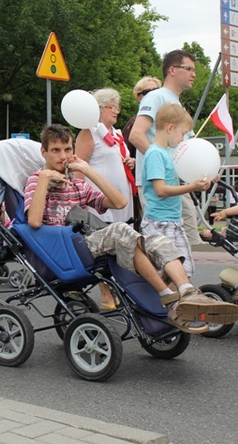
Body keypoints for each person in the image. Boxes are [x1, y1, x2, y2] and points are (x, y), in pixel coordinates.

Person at [24, 124, 238, 334]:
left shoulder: (76, 184)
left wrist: (87, 170)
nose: (63, 156)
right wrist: (44, 178)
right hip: (61, 248)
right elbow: (33, 222)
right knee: (120, 230)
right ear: (43, 152)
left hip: (87, 241)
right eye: (55, 150)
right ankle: (168, 296)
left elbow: (119, 203)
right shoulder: (35, 180)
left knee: (157, 240)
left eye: (67, 149)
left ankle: (187, 292)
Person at [130, 50, 202, 245]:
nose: (193, 74)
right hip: (159, 184)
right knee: (166, 248)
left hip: (175, 182)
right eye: (189, 69)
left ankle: (182, 276)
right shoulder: (156, 97)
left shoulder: (176, 103)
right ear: (172, 70)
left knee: (186, 244)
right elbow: (136, 134)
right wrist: (164, 164)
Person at [74, 88, 135, 310]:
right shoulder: (89, 133)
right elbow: (77, 168)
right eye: (112, 106)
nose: (117, 110)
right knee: (103, 247)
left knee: (120, 245)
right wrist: (79, 200)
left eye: (117, 106)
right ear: (98, 108)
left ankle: (118, 290)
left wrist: (131, 163)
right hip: (99, 202)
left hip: (118, 200)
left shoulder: (116, 135)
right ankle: (106, 295)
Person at [142, 104, 210, 280]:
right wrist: (192, 187)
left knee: (185, 271)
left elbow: (173, 180)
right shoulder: (156, 154)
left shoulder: (166, 153)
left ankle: (170, 303)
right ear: (170, 128)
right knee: (167, 272)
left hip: (173, 219)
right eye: (182, 133)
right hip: (159, 221)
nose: (183, 139)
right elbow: (161, 190)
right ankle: (163, 304)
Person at [123, 76, 161, 159]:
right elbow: (126, 150)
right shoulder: (134, 122)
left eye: (156, 90)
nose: (152, 94)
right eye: (147, 92)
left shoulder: (166, 118)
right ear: (138, 97)